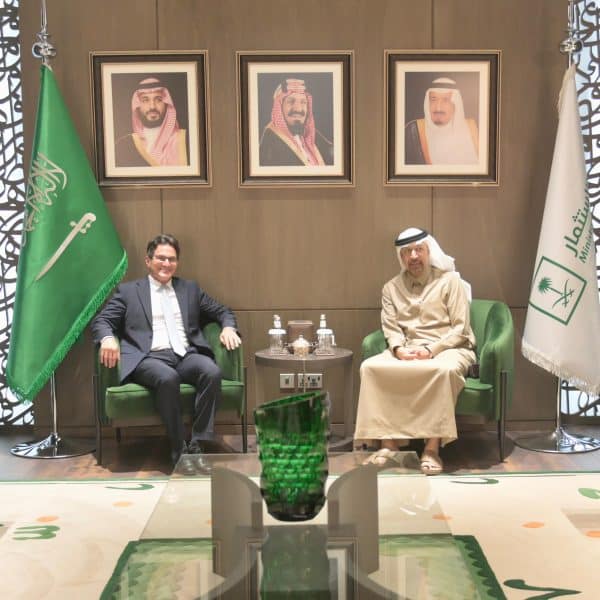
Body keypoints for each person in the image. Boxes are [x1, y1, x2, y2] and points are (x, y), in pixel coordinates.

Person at [91, 234, 241, 467]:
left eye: (172, 259)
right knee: (167, 378)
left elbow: (222, 311)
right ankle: (178, 447)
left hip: (185, 354)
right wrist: (108, 339)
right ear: (148, 261)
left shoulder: (189, 289)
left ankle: (198, 444)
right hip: (148, 357)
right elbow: (102, 320)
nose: (166, 264)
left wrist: (229, 328)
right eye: (161, 258)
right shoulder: (129, 292)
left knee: (211, 371)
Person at [354, 227, 476, 475]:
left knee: (441, 371)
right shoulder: (391, 288)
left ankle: (431, 449)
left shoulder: (449, 282)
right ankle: (388, 445)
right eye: (407, 252)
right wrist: (398, 350)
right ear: (401, 257)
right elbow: (390, 328)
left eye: (418, 250)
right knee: (370, 367)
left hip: (449, 347)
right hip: (408, 348)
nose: (413, 256)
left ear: (429, 252)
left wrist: (431, 349)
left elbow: (460, 329)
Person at [114, 77, 189, 167]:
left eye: (158, 100)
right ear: (137, 105)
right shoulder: (124, 145)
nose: (152, 106)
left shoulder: (186, 140)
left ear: (166, 104)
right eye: (145, 100)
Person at [259, 78, 334, 166]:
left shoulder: (312, 134)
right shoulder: (271, 141)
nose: (298, 109)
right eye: (290, 101)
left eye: (303, 102)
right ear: (279, 107)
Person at [404, 77, 479, 165]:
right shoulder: (413, 130)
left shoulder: (475, 128)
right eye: (433, 100)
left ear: (456, 104)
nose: (438, 107)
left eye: (446, 100)